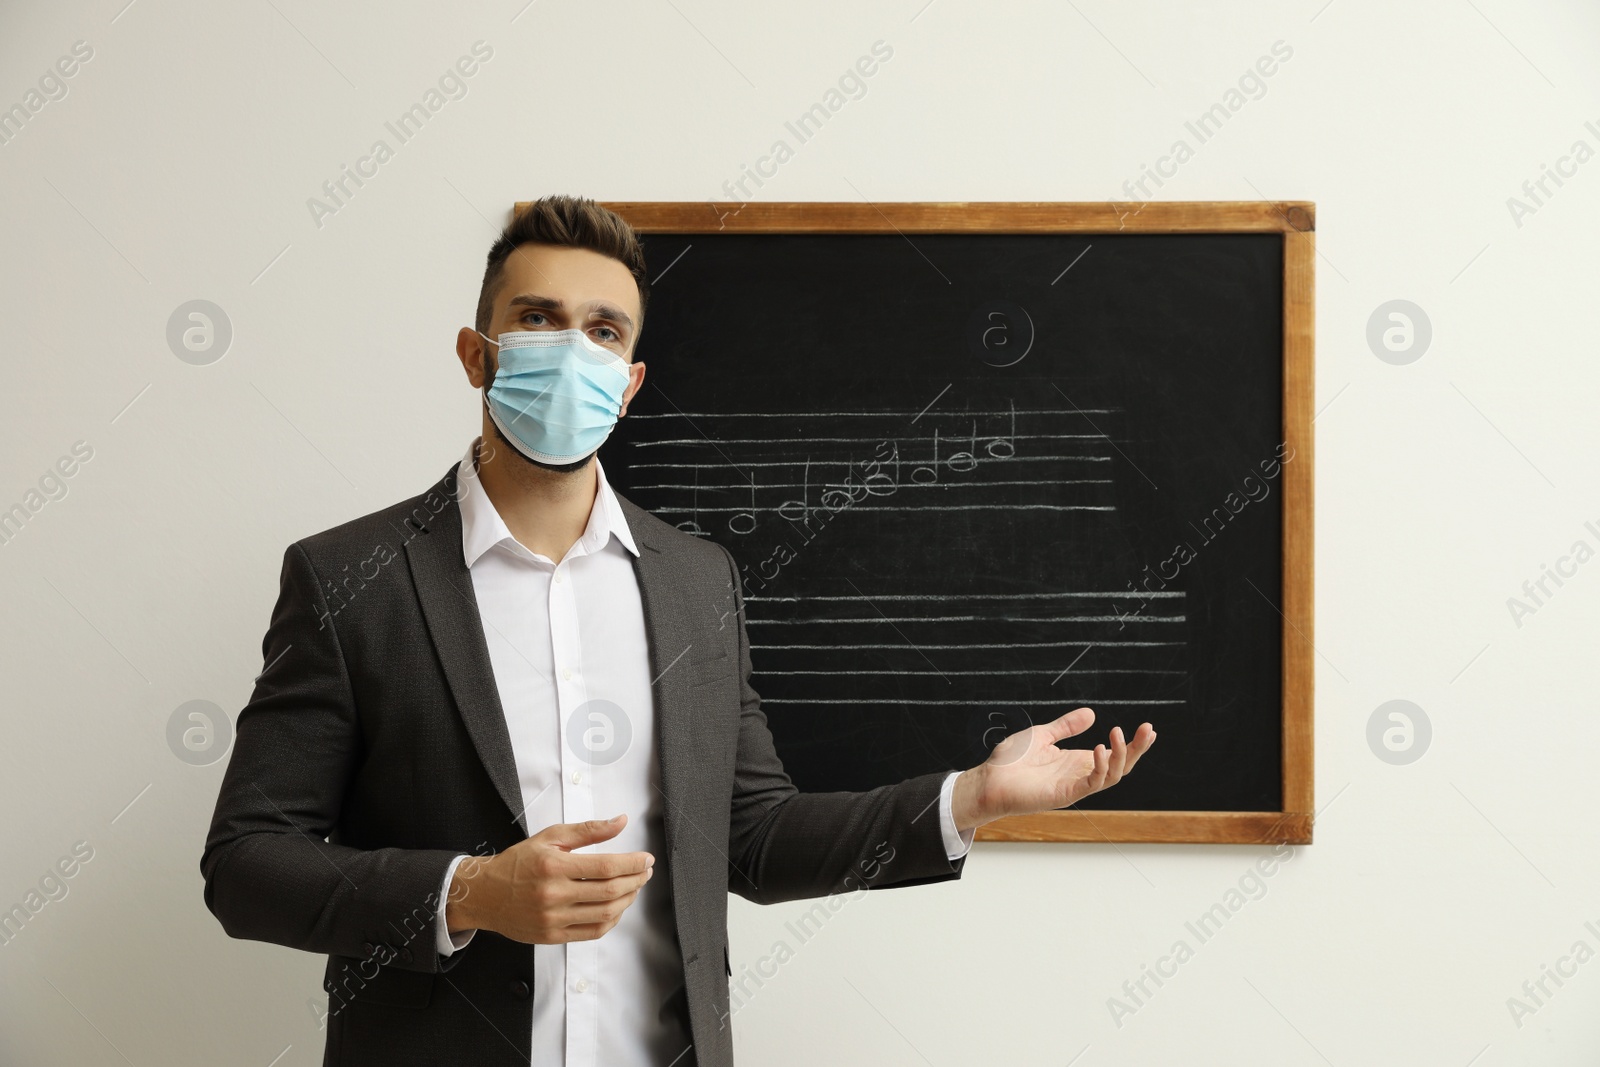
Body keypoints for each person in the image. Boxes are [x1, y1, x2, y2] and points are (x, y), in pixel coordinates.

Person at [200, 195, 1156, 1067]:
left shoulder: (700, 583)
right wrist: (469, 892)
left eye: (602, 331)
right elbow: (246, 862)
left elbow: (753, 838)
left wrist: (971, 796)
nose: (570, 350)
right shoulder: (349, 578)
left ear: (630, 380)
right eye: (537, 319)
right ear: (475, 352)